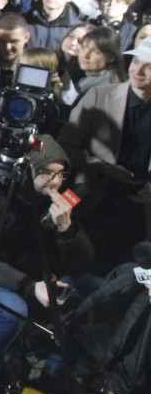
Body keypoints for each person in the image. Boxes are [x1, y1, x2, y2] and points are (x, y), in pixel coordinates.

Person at [0, 136, 96, 394]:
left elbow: (83, 263)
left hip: (32, 278)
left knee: (89, 291)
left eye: (61, 174)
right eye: (47, 172)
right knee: (13, 309)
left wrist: (66, 229)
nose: (55, 181)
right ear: (27, 170)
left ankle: (57, 372)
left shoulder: (57, 201)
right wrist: (27, 285)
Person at [60, 36, 151, 274]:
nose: (138, 70)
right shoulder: (99, 96)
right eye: (135, 62)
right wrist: (101, 167)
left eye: (149, 65)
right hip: (96, 197)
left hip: (141, 209)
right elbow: (65, 145)